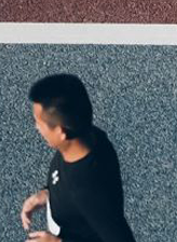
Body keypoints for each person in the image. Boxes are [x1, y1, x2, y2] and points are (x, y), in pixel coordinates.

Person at [18, 74, 136, 242]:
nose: (36, 127)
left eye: (39, 122)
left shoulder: (87, 188)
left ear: (61, 132)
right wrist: (47, 194)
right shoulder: (89, 136)